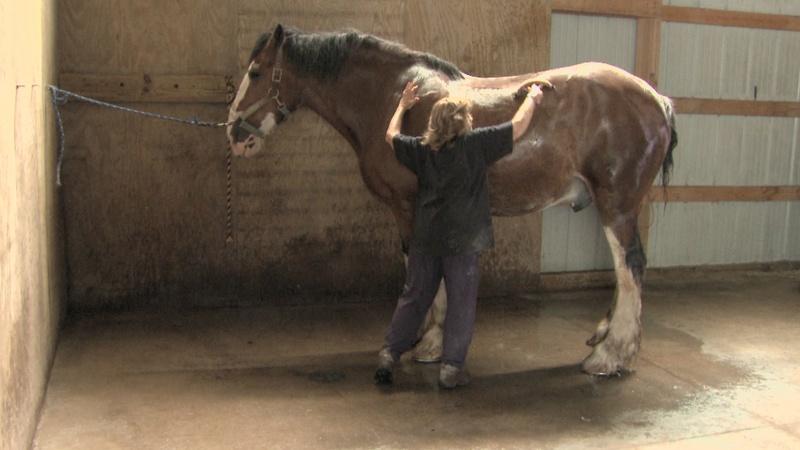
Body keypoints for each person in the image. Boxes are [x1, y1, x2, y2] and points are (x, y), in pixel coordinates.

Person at [375, 80, 545, 389]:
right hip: (463, 242)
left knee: (414, 296)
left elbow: (390, 136)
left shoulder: (422, 150)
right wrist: (533, 97)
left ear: (434, 123)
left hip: (425, 240)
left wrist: (403, 104)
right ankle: (451, 369)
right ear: (463, 121)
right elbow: (518, 127)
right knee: (461, 303)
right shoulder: (476, 145)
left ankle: (389, 353)